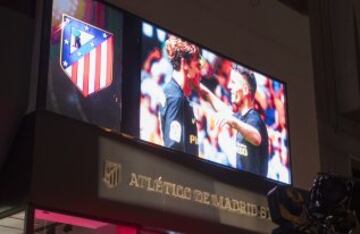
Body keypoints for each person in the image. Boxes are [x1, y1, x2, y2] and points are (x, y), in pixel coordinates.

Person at [200, 64, 269, 177]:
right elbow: (221, 107)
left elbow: (256, 138)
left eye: (233, 82)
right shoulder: (241, 118)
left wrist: (233, 122)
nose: (229, 86)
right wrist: (198, 85)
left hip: (254, 192)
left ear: (246, 90)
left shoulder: (254, 118)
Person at [159, 35, 202, 156]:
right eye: (197, 65)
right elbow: (173, 149)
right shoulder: (176, 98)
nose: (200, 72)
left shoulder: (172, 91)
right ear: (185, 64)